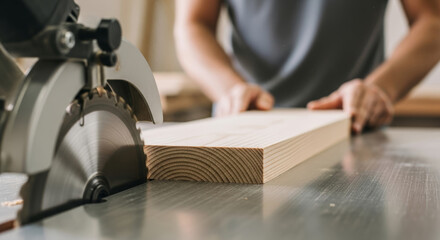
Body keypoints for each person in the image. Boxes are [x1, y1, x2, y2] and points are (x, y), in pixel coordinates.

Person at [174, 0, 440, 133]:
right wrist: (230, 91)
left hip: (354, 128)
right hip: (246, 128)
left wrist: (379, 88)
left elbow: (432, 21)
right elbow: (192, 24)